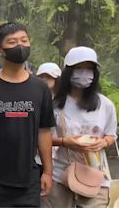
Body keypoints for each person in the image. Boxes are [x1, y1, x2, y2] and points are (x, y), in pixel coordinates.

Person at [0, 22, 55, 207]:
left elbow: (44, 132)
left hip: (28, 181)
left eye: (24, 40)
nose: (20, 46)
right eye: (12, 42)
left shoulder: (40, 88)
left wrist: (47, 171)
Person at [41, 46, 117, 208]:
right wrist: (65, 142)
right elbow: (44, 138)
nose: (84, 74)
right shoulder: (55, 106)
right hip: (60, 175)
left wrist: (102, 143)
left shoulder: (105, 105)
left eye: (89, 69)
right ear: (68, 72)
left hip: (95, 177)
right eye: (79, 69)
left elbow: (111, 135)